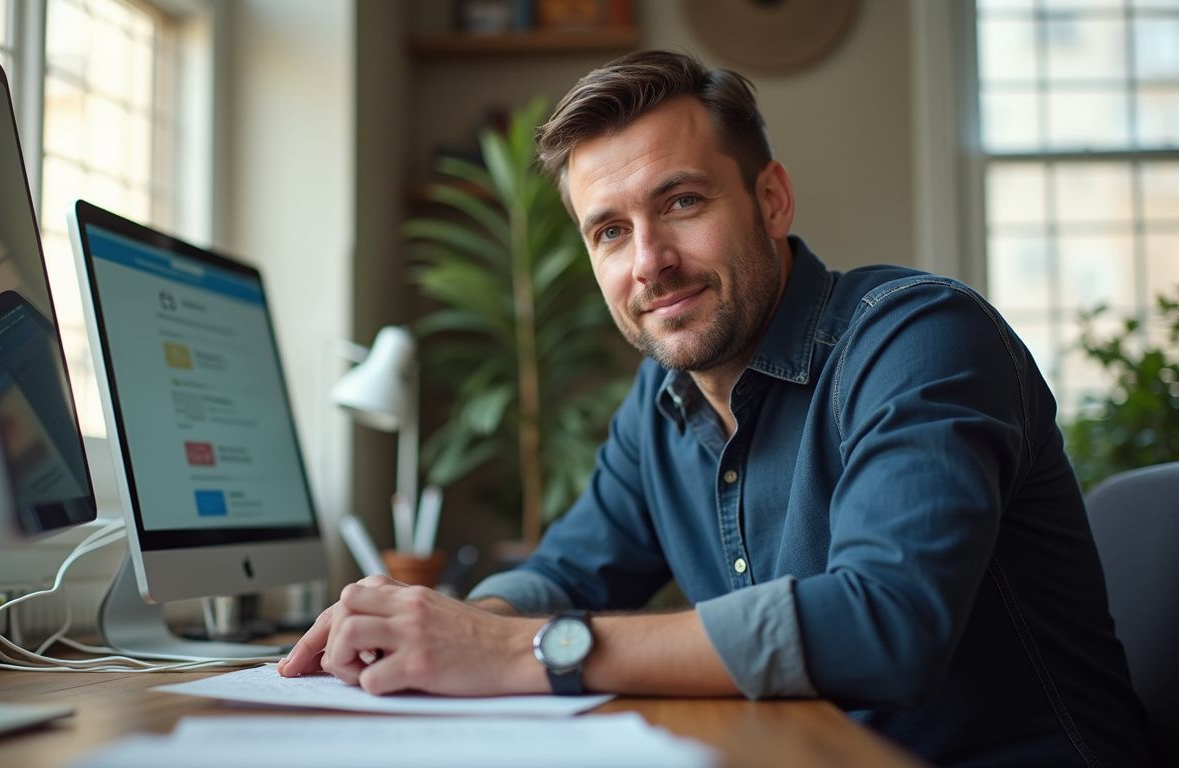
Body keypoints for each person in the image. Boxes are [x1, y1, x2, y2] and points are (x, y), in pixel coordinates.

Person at [280, 50, 1153, 766]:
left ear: (771, 199)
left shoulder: (921, 338)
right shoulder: (659, 402)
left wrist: (514, 651)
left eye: (682, 202)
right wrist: (457, 626)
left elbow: (886, 622)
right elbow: (568, 575)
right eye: (609, 231)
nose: (649, 261)